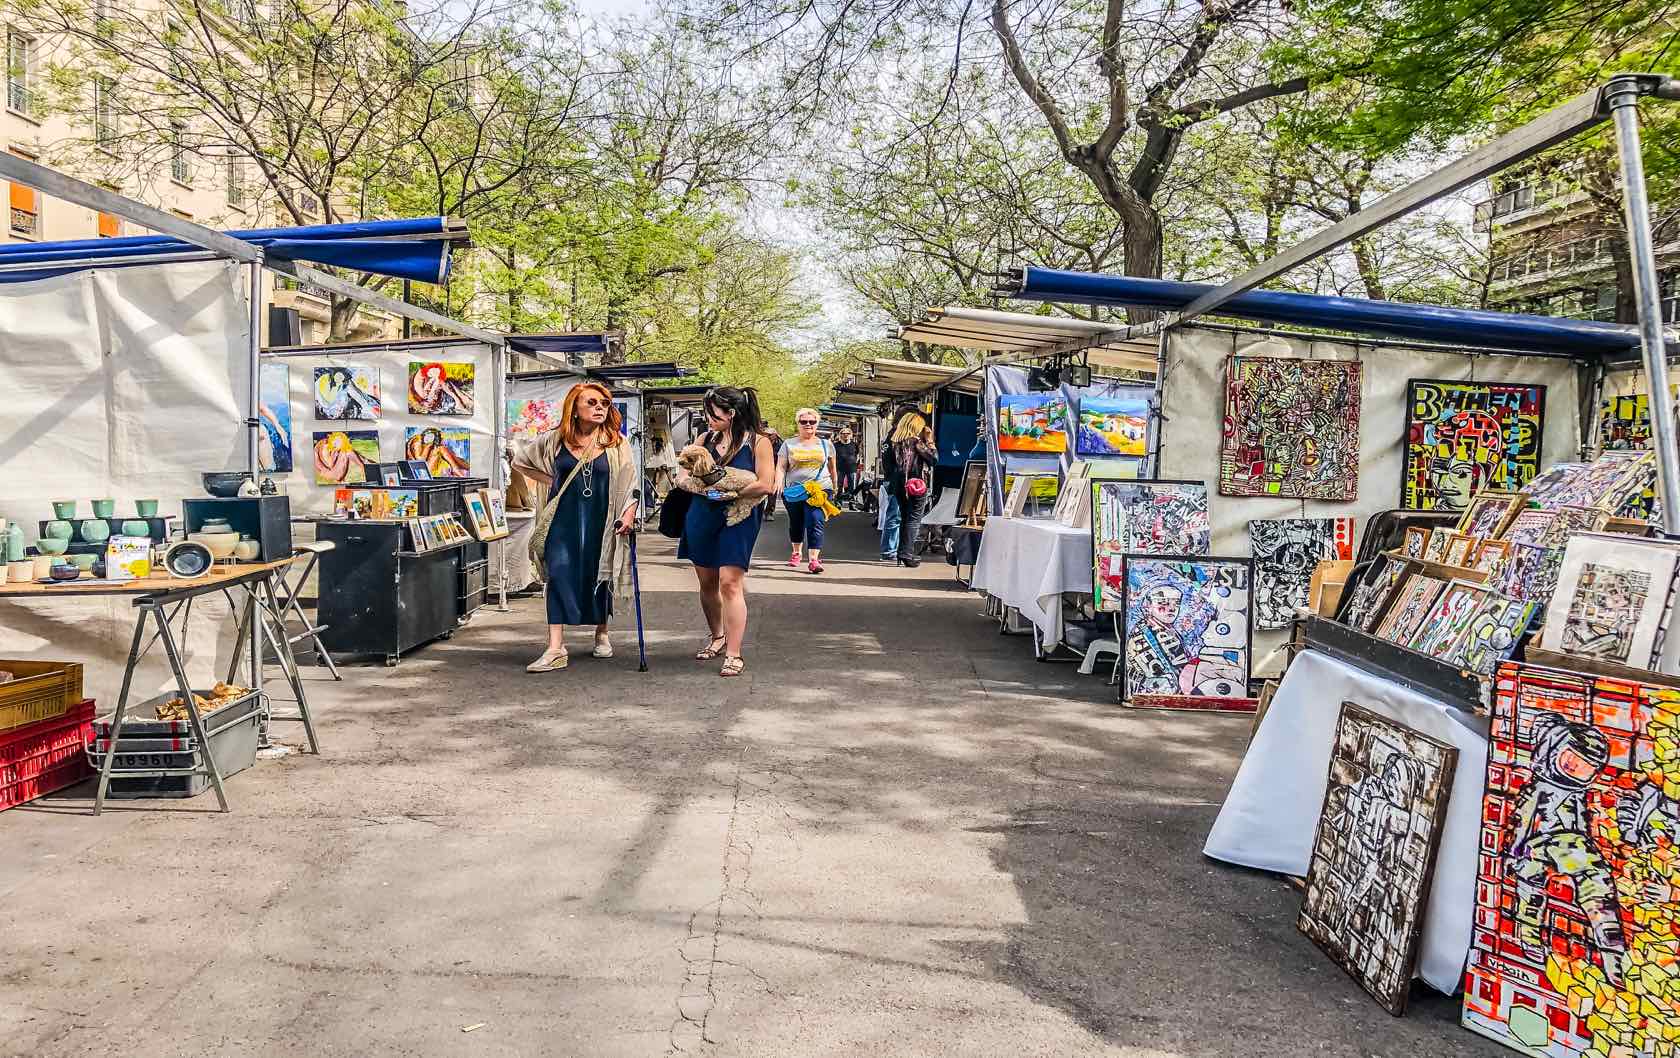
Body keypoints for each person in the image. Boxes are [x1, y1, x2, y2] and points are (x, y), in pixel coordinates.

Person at [511, 382, 639, 673]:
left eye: (604, 404)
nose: (600, 408)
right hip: (562, 520)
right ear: (575, 408)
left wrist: (628, 516)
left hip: (603, 518)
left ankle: (601, 632)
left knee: (599, 573)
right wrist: (551, 481)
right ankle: (556, 647)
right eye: (592, 403)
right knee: (558, 574)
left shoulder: (617, 444)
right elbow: (521, 461)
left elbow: (630, 485)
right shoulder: (555, 440)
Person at [679, 386, 776, 677]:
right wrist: (697, 487)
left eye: (712, 413)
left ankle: (734, 652)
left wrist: (731, 495)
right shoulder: (703, 439)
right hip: (701, 514)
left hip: (739, 516)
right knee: (707, 581)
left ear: (731, 413)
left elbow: (766, 484)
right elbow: (682, 475)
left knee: (730, 582)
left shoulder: (758, 442)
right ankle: (717, 636)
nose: (707, 418)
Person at [777, 407, 838, 574]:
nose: (808, 425)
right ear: (798, 424)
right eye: (804, 422)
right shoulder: (788, 444)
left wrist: (835, 485)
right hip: (794, 490)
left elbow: (833, 468)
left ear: (817, 424)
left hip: (820, 489)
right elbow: (781, 467)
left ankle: (813, 560)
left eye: (812, 422)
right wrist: (778, 483)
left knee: (815, 520)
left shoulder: (826, 444)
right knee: (796, 523)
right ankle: (796, 552)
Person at [880, 406, 937, 567]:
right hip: (915, 484)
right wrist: (930, 440)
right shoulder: (916, 442)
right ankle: (906, 553)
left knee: (904, 517)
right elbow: (933, 460)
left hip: (898, 484)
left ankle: (900, 553)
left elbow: (887, 466)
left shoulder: (892, 442)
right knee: (913, 519)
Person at [645, 434, 679, 503]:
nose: (653, 446)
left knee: (666, 480)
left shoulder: (660, 447)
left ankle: (656, 496)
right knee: (657, 480)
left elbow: (657, 451)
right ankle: (655, 497)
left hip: (662, 461)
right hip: (660, 461)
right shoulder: (659, 447)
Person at [761, 427, 784, 522]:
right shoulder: (760, 442)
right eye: (766, 434)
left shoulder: (780, 445)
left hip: (775, 470)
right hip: (761, 470)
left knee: (772, 493)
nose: (768, 436)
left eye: (770, 435)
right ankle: (758, 510)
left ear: (775, 435)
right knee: (760, 492)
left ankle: (769, 512)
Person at [833, 425, 860, 505]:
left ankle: (852, 504)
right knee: (839, 486)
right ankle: (838, 502)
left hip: (852, 469)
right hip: (839, 469)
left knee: (852, 487)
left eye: (847, 433)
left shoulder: (854, 445)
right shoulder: (836, 445)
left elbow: (857, 454)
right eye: (843, 433)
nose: (845, 435)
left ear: (851, 435)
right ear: (840, 435)